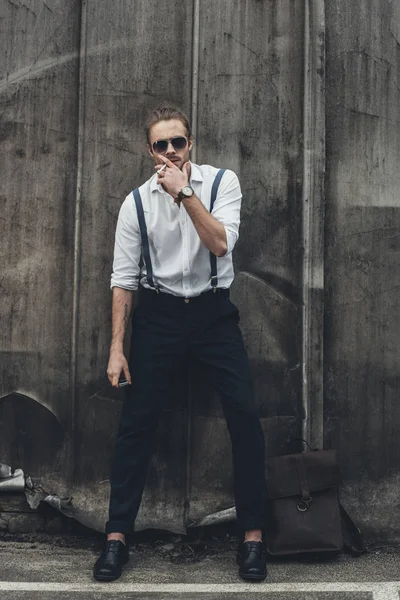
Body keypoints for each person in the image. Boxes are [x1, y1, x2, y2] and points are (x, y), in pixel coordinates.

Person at [93, 107, 267, 582]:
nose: (170, 152)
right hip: (161, 316)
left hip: (213, 314)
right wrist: (116, 347)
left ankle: (252, 536)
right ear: (149, 151)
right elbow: (123, 280)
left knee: (245, 417)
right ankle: (116, 537)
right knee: (136, 423)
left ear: (191, 144)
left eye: (178, 143)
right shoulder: (135, 203)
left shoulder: (221, 184)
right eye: (161, 145)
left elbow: (219, 244)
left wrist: (185, 193)